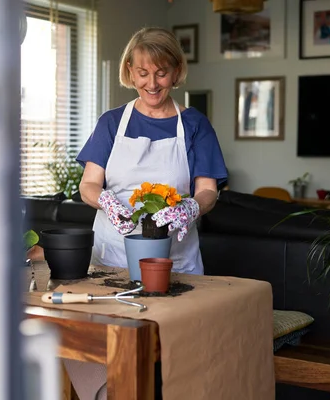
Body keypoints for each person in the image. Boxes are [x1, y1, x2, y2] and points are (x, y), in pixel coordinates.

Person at [76, 27, 227, 276]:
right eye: (143, 73)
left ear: (176, 71)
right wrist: (106, 201)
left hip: (175, 262)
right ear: (130, 71)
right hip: (113, 259)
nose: (153, 84)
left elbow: (208, 191)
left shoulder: (195, 125)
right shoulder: (110, 123)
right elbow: (89, 184)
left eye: (161, 73)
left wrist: (190, 208)